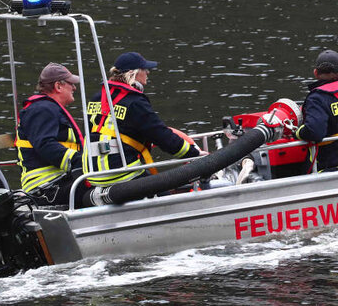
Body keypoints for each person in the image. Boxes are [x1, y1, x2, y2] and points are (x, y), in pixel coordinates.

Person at [86, 51, 203, 185]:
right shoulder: (135, 102)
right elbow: (160, 134)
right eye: (145, 69)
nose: (148, 72)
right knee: (164, 194)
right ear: (133, 73)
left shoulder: (97, 98)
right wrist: (194, 154)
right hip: (122, 173)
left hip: (93, 174)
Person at [15, 63, 90, 207]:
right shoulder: (41, 109)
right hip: (46, 187)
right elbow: (45, 144)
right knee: (102, 187)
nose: (74, 88)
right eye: (71, 84)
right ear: (58, 86)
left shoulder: (47, 108)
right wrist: (77, 160)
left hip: (58, 181)